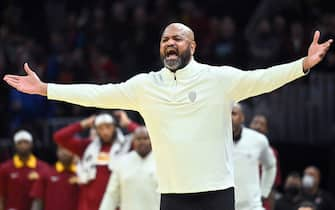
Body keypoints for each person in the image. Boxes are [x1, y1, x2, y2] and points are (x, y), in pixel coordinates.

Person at [3, 23, 333, 210]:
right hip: (172, 196)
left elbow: (262, 78)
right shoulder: (144, 86)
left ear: (193, 45)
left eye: (177, 38)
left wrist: (302, 65)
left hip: (217, 193)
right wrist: (46, 89)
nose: (169, 44)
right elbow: (96, 93)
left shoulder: (219, 79)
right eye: (164, 40)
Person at [52, 113, 132, 210]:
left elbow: (148, 138)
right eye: (100, 128)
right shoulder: (87, 146)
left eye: (108, 127)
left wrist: (128, 124)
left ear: (115, 127)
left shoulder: (127, 145)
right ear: (96, 130)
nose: (105, 132)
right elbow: (59, 137)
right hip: (89, 206)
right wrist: (83, 124)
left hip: (118, 204)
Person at [99, 126, 159, 210]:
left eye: (145, 138)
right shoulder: (122, 162)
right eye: (138, 139)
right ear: (133, 141)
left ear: (152, 140)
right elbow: (111, 194)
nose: (142, 142)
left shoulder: (161, 162)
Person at [232, 103, 276, 210]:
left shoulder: (258, 140)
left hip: (252, 206)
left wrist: (264, 191)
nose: (229, 118)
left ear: (242, 117)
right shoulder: (214, 142)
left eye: (233, 113)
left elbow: (270, 166)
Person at [0, 130, 48, 210]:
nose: (23, 145)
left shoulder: (43, 168)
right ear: (15, 145)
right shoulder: (4, 168)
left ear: (31, 144)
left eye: (26, 142)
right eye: (20, 143)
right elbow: (1, 195)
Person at [250, 114, 282, 210]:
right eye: (255, 123)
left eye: (262, 124)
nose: (258, 126)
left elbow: (273, 184)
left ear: (266, 130)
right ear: (250, 126)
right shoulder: (236, 147)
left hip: (262, 201)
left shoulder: (272, 153)